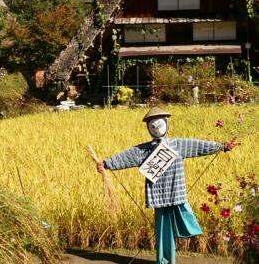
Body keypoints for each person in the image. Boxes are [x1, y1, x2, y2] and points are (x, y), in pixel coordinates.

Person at [96, 107, 238, 264]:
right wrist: (106, 163)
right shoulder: (143, 150)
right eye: (153, 123)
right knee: (163, 231)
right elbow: (126, 157)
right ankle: (164, 260)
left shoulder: (177, 144)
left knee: (188, 220)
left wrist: (221, 146)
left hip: (177, 194)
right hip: (158, 196)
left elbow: (198, 146)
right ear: (148, 127)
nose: (156, 126)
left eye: (159, 122)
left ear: (166, 123)